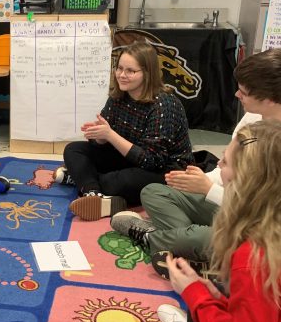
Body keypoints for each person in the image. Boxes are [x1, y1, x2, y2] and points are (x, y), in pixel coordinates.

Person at [123, 120, 281, 322]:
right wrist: (217, 298)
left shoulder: (254, 254)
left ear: (246, 181)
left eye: (225, 162)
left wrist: (194, 292)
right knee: (200, 313)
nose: (218, 165)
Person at [110, 48, 281, 278]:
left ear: (269, 99)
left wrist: (208, 189)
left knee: (202, 236)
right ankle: (193, 252)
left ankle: (154, 237)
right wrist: (196, 180)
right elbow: (225, 168)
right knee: (154, 192)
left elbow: (263, 212)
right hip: (228, 203)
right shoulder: (251, 117)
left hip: (261, 225)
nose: (237, 96)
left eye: (244, 91)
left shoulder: (164, 104)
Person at [59, 41, 193, 221]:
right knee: (73, 149)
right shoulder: (118, 96)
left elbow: (152, 161)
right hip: (128, 159)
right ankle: (94, 194)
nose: (122, 75)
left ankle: (84, 180)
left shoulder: (164, 104)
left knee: (116, 182)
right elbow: (105, 143)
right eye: (119, 68)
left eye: (130, 71)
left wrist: (109, 135)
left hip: (165, 170)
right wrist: (99, 137)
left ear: (147, 73)